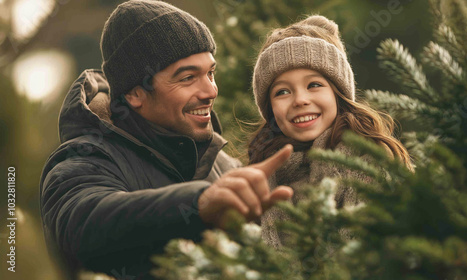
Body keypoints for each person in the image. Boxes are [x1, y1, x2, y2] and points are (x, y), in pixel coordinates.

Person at [39, 1, 293, 279]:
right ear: (136, 93)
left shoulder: (223, 165)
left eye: (211, 73)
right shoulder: (84, 158)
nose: (210, 91)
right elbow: (82, 228)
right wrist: (199, 204)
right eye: (187, 78)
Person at [248, 15, 413, 249]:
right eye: (282, 92)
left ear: (338, 93)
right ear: (270, 109)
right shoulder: (260, 179)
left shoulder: (372, 163)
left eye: (314, 85)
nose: (300, 100)